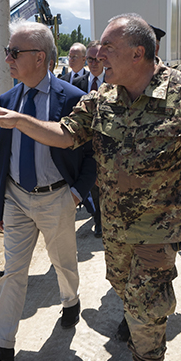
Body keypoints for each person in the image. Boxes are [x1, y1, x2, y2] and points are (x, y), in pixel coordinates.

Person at [0, 13, 181, 361]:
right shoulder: (102, 97)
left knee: (147, 305)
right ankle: (137, 323)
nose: (97, 53)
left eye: (107, 47)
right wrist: (20, 121)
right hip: (117, 227)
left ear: (138, 54)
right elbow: (66, 134)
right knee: (123, 287)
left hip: (159, 229)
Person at [0, 21, 96, 361]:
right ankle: (2, 343)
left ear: (39, 57)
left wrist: (75, 193)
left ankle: (70, 301)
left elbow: (92, 155)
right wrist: (0, 200)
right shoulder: (8, 99)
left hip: (56, 197)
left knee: (63, 263)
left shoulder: (73, 100)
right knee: (13, 270)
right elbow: (3, 156)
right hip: (16, 198)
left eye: (14, 52)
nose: (6, 58)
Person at [82, 41, 104, 237]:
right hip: (83, 142)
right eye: (90, 59)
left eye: (98, 59)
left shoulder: (115, 82)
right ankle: (98, 220)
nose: (94, 63)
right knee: (92, 184)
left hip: (106, 143)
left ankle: (104, 221)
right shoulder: (78, 83)